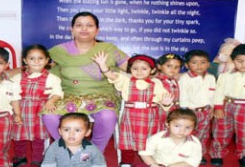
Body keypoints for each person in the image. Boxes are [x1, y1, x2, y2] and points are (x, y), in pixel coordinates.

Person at [41, 11, 129, 152]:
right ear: (72, 29)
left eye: (89, 25)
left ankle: (94, 152)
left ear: (97, 30)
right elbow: (38, 68)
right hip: (68, 96)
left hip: (103, 96)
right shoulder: (58, 51)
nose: (84, 29)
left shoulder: (108, 49)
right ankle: (67, 150)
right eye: (79, 25)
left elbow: (134, 67)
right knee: (49, 115)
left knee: (107, 115)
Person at [92, 53, 173, 166]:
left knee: (151, 139)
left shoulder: (156, 83)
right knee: (128, 140)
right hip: (130, 116)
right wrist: (103, 66)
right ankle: (127, 161)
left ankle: (153, 160)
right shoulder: (126, 81)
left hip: (150, 117)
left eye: (144, 68)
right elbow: (112, 76)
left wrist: (166, 103)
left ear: (152, 70)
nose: (139, 71)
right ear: (130, 69)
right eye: (135, 68)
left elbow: (164, 98)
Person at [210, 43, 245, 167]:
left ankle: (244, 154)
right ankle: (217, 154)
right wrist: (218, 108)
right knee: (220, 131)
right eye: (239, 61)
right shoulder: (225, 76)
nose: (243, 65)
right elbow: (219, 92)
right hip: (226, 105)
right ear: (233, 60)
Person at [11, 45, 63, 167]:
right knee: (19, 138)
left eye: (40, 58)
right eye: (32, 58)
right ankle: (20, 157)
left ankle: (37, 159)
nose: (36, 61)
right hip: (21, 110)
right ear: (25, 60)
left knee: (39, 138)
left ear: (46, 60)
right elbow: (12, 95)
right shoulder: (17, 78)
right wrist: (16, 113)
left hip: (40, 111)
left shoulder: (52, 78)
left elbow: (58, 93)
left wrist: (51, 101)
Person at [178, 49, 216, 165]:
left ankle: (199, 153)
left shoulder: (211, 78)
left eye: (203, 62)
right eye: (194, 62)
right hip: (190, 111)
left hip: (206, 110)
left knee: (203, 135)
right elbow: (183, 96)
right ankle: (184, 154)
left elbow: (213, 94)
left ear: (208, 64)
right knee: (188, 134)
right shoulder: (184, 78)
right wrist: (185, 112)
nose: (199, 65)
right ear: (187, 65)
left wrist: (212, 108)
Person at [41, 112, 106, 167]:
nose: (71, 134)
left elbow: (99, 164)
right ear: (60, 131)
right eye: (66, 130)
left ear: (87, 132)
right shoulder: (54, 148)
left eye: (77, 130)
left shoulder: (92, 148)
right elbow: (48, 164)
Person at [156, 53, 183, 130]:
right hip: (161, 112)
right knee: (160, 132)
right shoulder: (156, 81)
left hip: (175, 112)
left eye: (176, 67)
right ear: (159, 66)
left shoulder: (175, 81)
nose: (173, 69)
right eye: (169, 66)